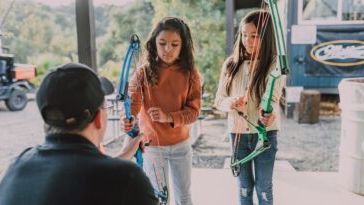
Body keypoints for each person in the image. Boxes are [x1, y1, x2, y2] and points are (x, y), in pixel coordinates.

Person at [0, 63, 158, 205]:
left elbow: (74, 175)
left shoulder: (17, 166)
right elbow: (99, 176)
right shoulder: (128, 179)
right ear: (99, 118)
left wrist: (125, 153)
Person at [122, 17, 202, 205]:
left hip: (181, 145)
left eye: (174, 44)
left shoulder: (190, 74)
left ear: (183, 46)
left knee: (184, 195)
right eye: (162, 43)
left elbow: (194, 111)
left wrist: (169, 117)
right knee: (159, 197)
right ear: (153, 44)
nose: (168, 49)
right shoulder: (142, 72)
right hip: (152, 147)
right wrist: (127, 119)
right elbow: (131, 105)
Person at [214, 10, 285, 205]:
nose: (248, 40)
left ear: (266, 37)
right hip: (237, 135)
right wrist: (230, 103)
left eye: (254, 36)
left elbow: (272, 98)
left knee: (264, 189)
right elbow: (219, 100)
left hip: (265, 134)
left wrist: (266, 114)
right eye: (244, 34)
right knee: (244, 189)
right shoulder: (230, 65)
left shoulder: (274, 64)